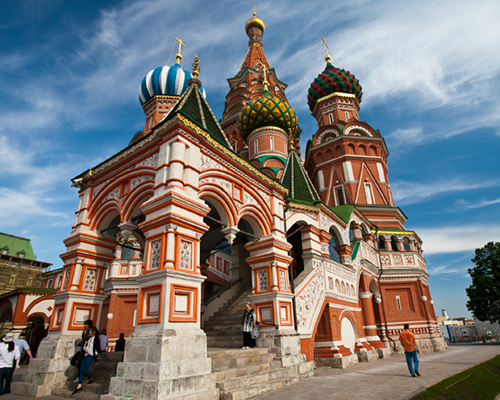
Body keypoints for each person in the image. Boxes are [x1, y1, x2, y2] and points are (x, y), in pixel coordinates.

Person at [73, 327, 101, 395]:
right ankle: (79, 385)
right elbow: (84, 345)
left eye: (91, 331)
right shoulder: (88, 339)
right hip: (85, 355)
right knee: (81, 370)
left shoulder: (96, 339)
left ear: (94, 332)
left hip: (90, 355)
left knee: (85, 370)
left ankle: (90, 378)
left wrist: (96, 354)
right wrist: (85, 349)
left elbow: (97, 347)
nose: (89, 332)